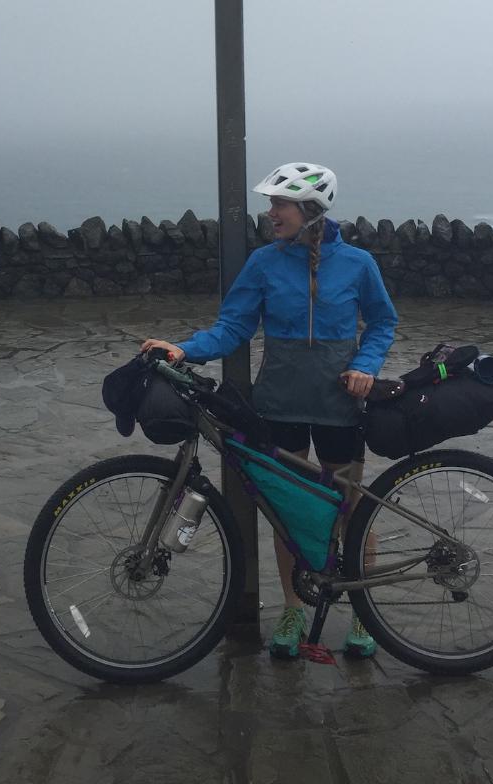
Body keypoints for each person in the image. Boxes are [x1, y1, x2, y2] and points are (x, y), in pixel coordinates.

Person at [142, 161, 397, 662]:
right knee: (289, 513)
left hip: (340, 407)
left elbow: (383, 322)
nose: (270, 213)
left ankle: (364, 613)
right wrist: (184, 349)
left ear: (309, 209)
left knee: (349, 512)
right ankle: (293, 609)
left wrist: (366, 366)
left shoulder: (359, 263)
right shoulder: (263, 263)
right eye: (272, 203)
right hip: (279, 405)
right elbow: (232, 327)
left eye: (279, 204)